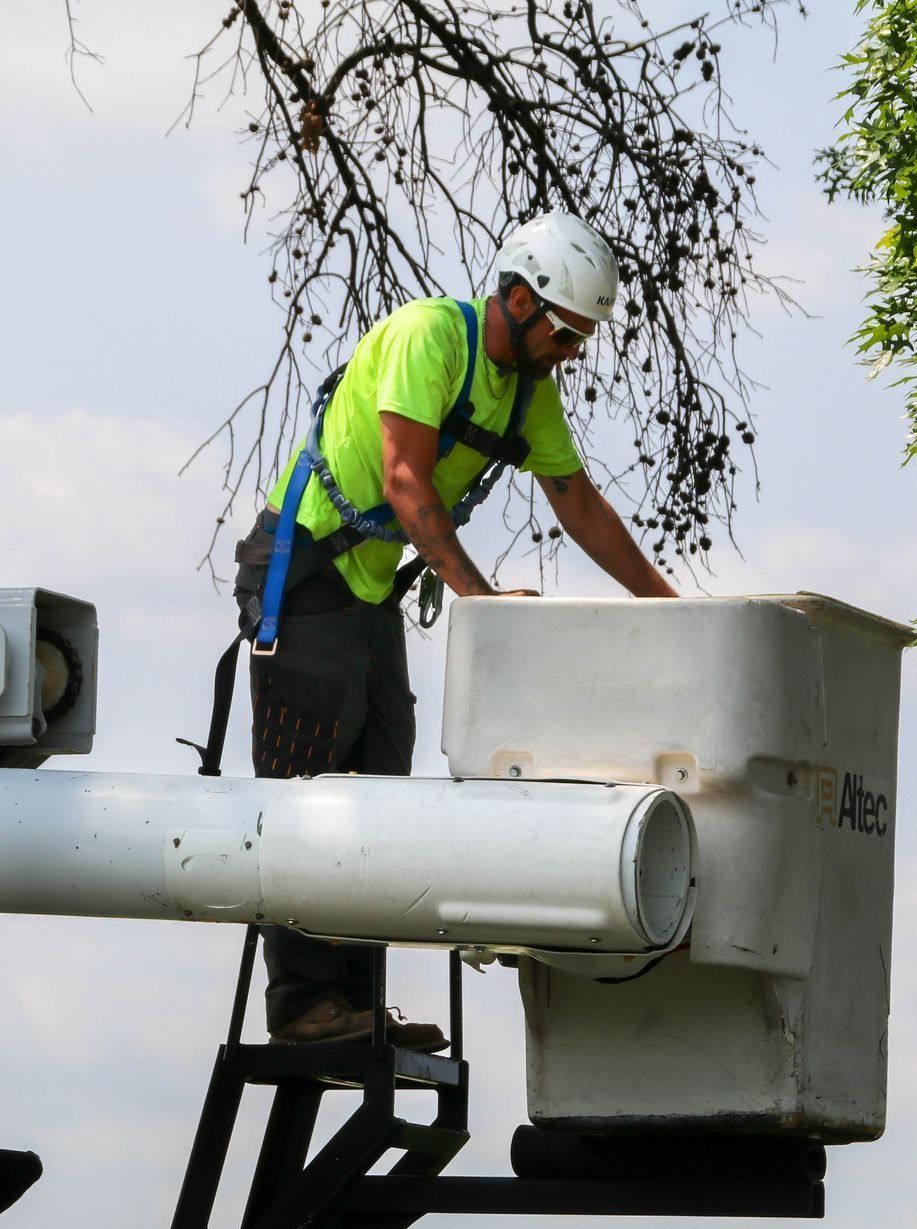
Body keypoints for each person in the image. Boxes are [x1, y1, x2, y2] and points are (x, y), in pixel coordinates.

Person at [231, 211, 677, 1050]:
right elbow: (405, 481)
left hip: (366, 595)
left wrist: (672, 609)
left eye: (581, 339)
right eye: (566, 332)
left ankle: (352, 1006)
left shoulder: (526, 395)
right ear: (518, 297)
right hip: (308, 577)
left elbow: (578, 505)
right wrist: (476, 597)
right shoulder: (429, 335)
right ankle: (301, 1007)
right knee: (304, 793)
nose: (572, 353)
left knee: (379, 788)